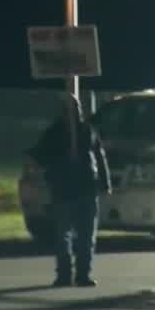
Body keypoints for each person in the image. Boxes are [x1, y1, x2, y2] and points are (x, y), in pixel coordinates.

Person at [34, 93, 111, 287]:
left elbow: (99, 157)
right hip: (64, 190)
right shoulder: (54, 133)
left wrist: (104, 182)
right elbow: (41, 156)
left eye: (76, 108)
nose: (74, 112)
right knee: (63, 235)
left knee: (86, 236)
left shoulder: (87, 131)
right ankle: (64, 275)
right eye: (70, 109)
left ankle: (83, 274)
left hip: (86, 188)